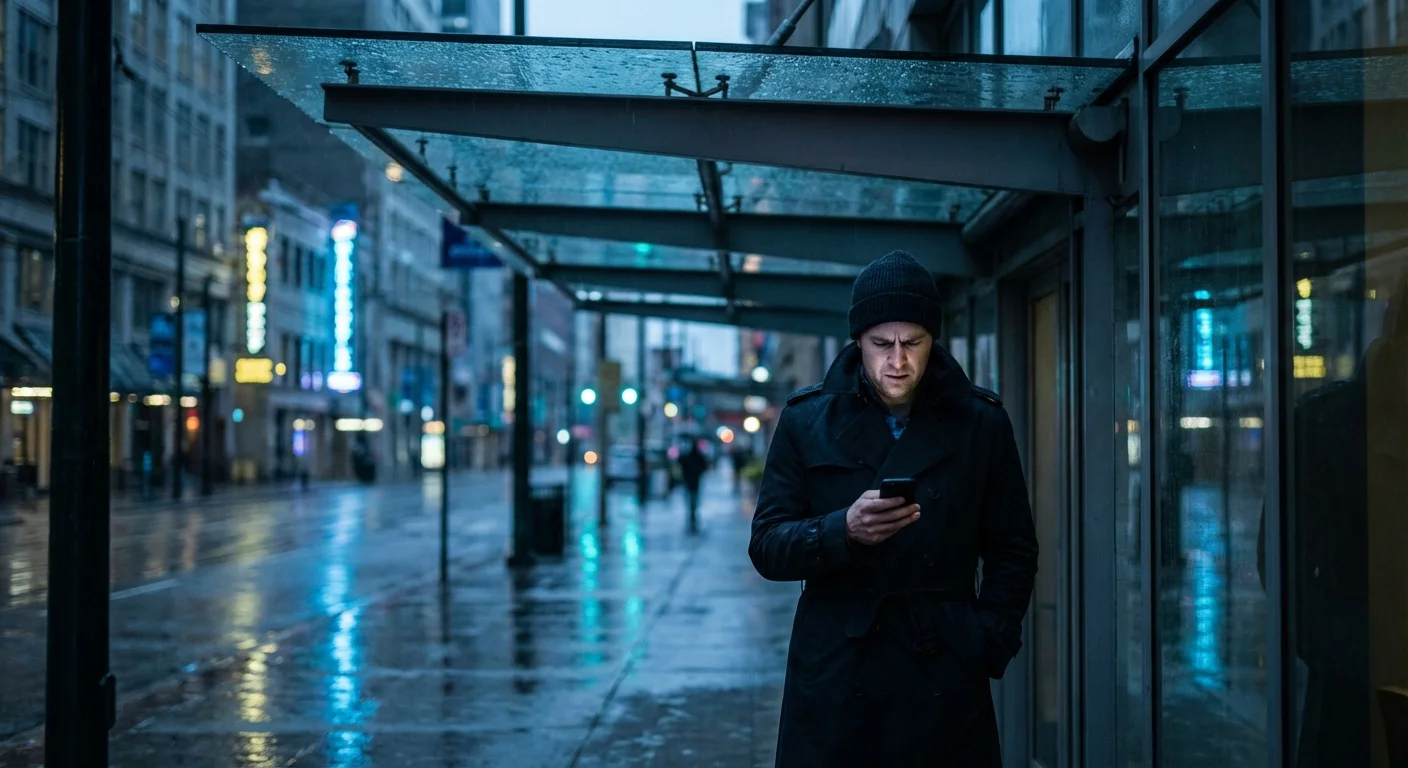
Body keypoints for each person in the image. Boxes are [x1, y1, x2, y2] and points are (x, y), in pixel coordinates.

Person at [749, 250, 1039, 767]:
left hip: (942, 669)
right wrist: (841, 530)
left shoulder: (980, 422)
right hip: (838, 668)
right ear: (858, 340)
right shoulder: (805, 419)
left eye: (913, 343)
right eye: (882, 344)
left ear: (934, 341)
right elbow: (768, 545)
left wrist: (986, 642)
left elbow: (1013, 547)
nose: (898, 360)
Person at [678, 440, 708, 531]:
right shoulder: (698, 456)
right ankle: (693, 516)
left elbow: (681, 464)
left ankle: (692, 516)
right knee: (693, 500)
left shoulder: (688, 456)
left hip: (689, 482)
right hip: (695, 482)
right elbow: (704, 466)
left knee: (690, 500)